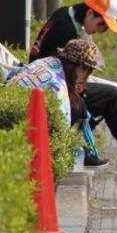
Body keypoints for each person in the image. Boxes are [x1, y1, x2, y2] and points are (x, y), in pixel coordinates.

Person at [30, 0, 117, 176]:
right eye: (101, 24)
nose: (101, 30)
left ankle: (89, 147)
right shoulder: (66, 28)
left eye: (105, 28)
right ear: (90, 13)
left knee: (113, 90)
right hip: (51, 87)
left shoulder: (66, 15)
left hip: (52, 80)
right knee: (112, 95)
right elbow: (66, 73)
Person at [11, 38, 105, 166]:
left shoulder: (47, 62)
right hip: (25, 128)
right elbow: (61, 127)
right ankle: (85, 153)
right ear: (80, 67)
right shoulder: (58, 86)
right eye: (88, 71)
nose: (86, 76)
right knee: (78, 105)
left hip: (11, 100)